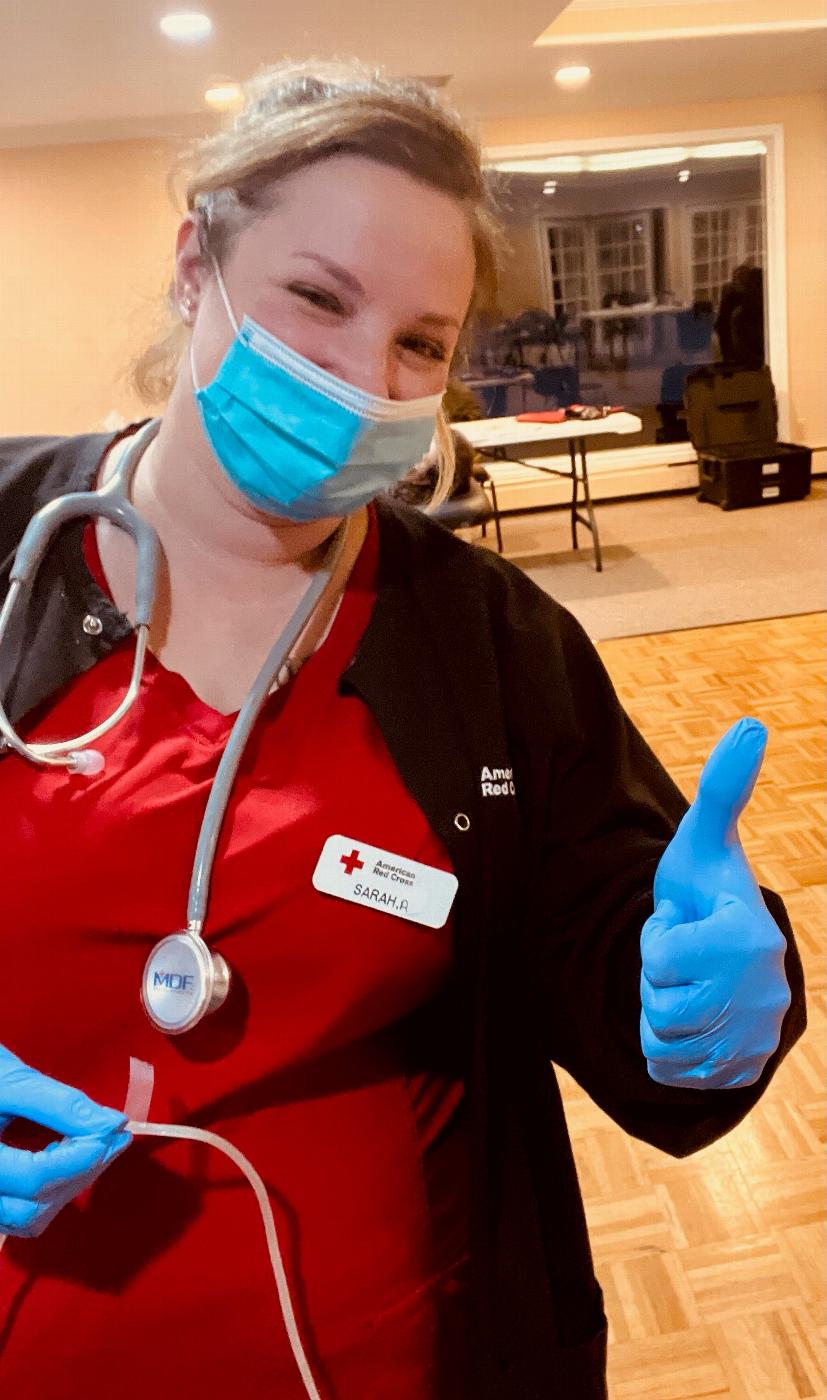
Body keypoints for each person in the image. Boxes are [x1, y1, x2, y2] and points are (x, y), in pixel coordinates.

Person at [0, 59, 805, 1400]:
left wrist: (712, 992)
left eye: (422, 343)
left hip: (387, 1349)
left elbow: (615, 954)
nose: (364, 379)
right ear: (196, 260)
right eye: (317, 299)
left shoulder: (491, 646)